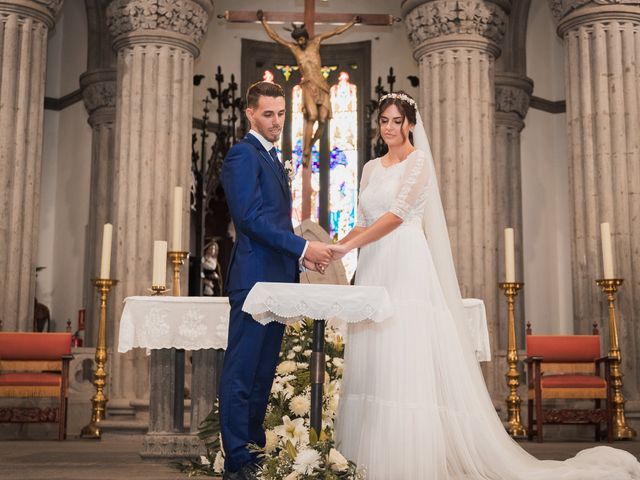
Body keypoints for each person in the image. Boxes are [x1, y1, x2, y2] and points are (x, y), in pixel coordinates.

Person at [331, 91, 640, 479]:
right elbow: (363, 219)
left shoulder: (418, 162)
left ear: (410, 124)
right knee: (375, 351)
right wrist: (337, 249)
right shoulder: (371, 168)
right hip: (374, 261)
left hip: (404, 260)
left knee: (402, 348)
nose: (390, 128)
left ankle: (407, 457)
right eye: (384, 121)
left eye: (397, 120)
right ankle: (365, 456)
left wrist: (354, 243)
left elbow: (396, 216)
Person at [219, 81, 332, 480]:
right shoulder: (242, 156)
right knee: (241, 372)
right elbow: (249, 220)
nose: (276, 122)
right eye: (268, 114)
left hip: (276, 281)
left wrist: (300, 260)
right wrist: (303, 249)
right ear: (250, 113)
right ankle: (236, 462)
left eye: (281, 114)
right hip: (253, 282)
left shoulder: (270, 157)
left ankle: (251, 451)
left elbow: (275, 222)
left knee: (262, 373)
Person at [257, 9, 359, 220]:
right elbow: (276, 37)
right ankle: (305, 149)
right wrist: (264, 21)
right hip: (307, 87)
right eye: (299, 39)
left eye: (303, 38)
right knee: (311, 116)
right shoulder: (296, 50)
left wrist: (352, 23)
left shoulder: (316, 42)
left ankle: (311, 144)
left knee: (323, 119)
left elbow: (336, 32)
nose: (302, 41)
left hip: (321, 85)